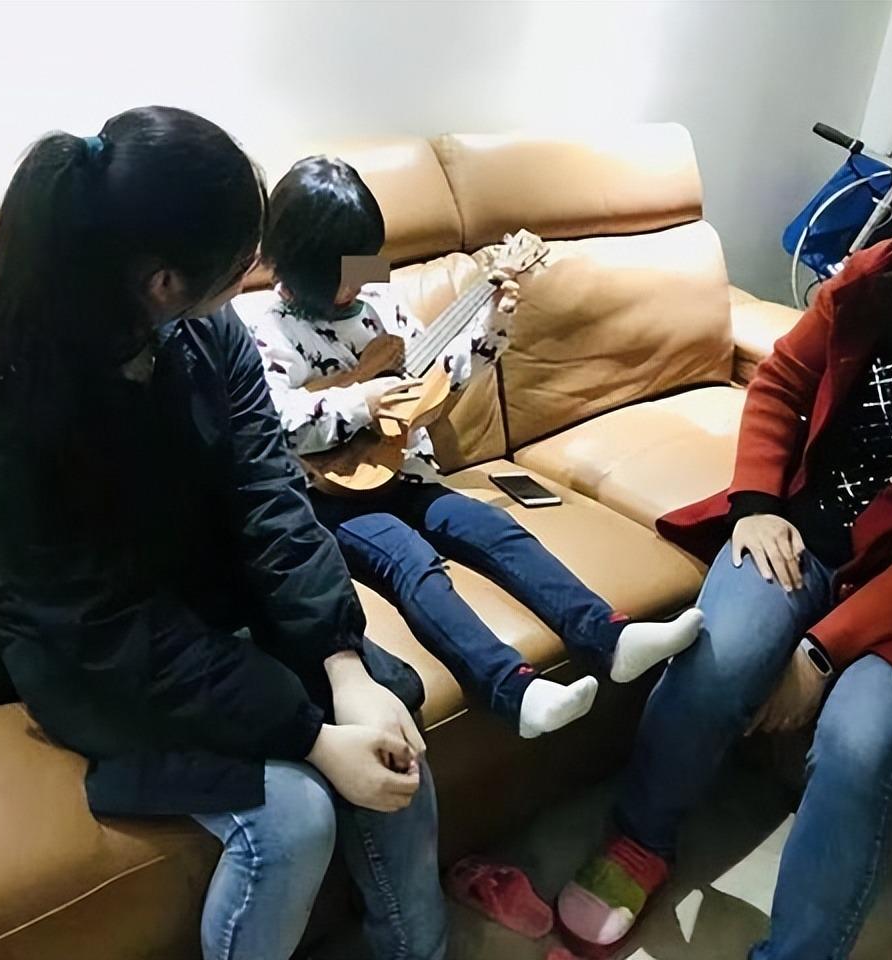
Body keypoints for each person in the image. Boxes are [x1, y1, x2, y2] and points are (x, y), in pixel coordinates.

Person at [558, 86, 892, 959]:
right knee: (716, 656)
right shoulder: (878, 277)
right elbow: (779, 384)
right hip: (807, 530)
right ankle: (640, 837)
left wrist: (822, 653)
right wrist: (758, 502)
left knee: (861, 738)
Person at [0, 107, 446, 960]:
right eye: (240, 265)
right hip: (92, 659)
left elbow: (268, 491)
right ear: (163, 281)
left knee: (389, 721)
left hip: (207, 602)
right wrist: (309, 735)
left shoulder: (207, 332)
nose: (254, 277)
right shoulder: (1, 416)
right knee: (294, 818)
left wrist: (340, 663)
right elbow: (106, 627)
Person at [237, 156, 704, 740]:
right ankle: (515, 690)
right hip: (331, 500)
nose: (357, 284)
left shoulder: (378, 297)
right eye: (342, 273)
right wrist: (362, 402)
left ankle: (611, 637)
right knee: (413, 562)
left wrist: (490, 325)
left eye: (362, 264)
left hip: (404, 472)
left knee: (494, 528)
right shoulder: (265, 329)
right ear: (298, 265)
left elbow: (433, 382)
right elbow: (275, 423)